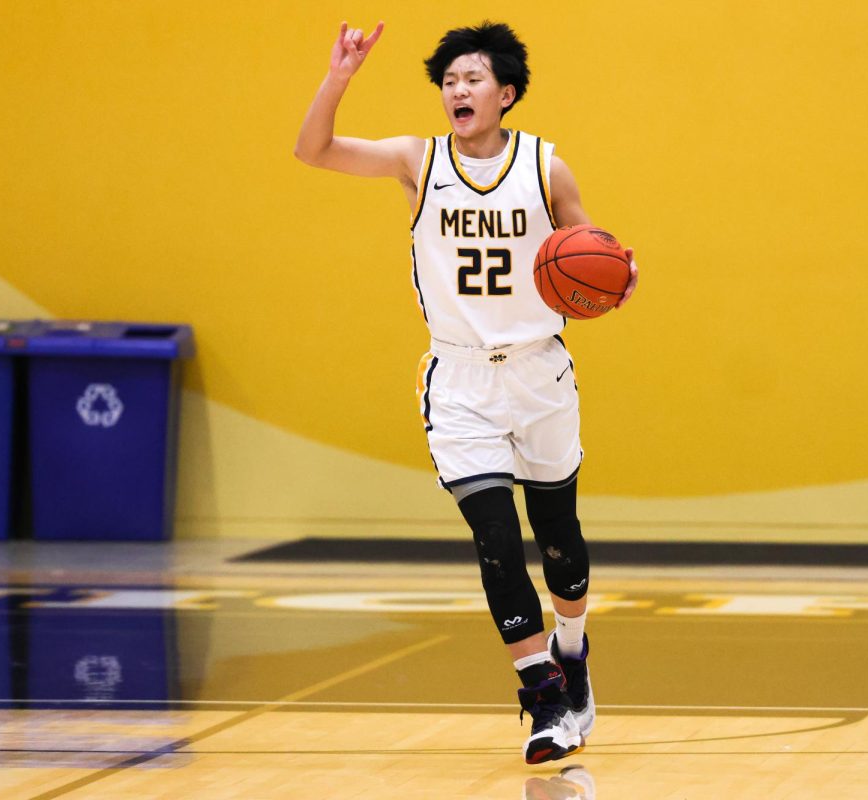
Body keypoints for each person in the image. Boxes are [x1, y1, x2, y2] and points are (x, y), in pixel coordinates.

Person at [294, 20, 637, 764]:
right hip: (459, 378)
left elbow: (599, 254)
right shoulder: (418, 162)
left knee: (557, 535)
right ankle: (543, 698)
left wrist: (620, 278)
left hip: (540, 370)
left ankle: (572, 650)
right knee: (494, 538)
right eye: (449, 81)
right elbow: (313, 150)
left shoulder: (546, 167)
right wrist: (340, 77)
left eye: (473, 79)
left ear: (505, 93)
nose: (458, 89)